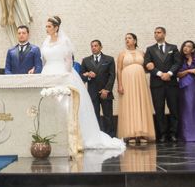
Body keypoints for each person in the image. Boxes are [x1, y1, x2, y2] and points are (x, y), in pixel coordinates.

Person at [40, 16, 125, 151]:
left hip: (62, 72)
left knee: (68, 105)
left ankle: (74, 135)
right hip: (48, 72)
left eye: (49, 26)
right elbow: (44, 60)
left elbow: (68, 61)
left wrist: (65, 75)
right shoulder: (45, 42)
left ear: (56, 28)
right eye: (46, 26)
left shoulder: (64, 42)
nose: (47, 28)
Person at [143, 27, 181, 143]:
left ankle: (174, 133)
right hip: (157, 84)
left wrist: (169, 73)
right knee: (159, 110)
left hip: (171, 83)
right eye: (155, 32)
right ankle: (163, 134)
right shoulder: (150, 49)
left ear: (164, 34)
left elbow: (177, 62)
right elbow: (147, 65)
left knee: (174, 108)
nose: (156, 34)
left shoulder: (173, 48)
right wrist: (160, 74)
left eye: (158, 32)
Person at [116, 33, 155, 144]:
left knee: (140, 103)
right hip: (127, 81)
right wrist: (120, 84)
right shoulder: (122, 54)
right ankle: (130, 133)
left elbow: (146, 68)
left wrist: (150, 67)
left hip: (140, 82)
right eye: (125, 38)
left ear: (135, 40)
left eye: (129, 38)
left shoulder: (142, 53)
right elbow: (118, 69)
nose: (127, 40)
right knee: (130, 104)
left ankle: (141, 133)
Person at [80, 40, 115, 137]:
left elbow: (112, 76)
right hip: (92, 93)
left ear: (100, 47)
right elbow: (81, 76)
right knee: (95, 115)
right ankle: (97, 136)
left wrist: (107, 90)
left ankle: (110, 136)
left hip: (105, 92)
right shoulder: (86, 60)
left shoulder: (109, 59)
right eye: (92, 46)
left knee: (108, 115)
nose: (93, 48)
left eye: (96, 46)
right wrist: (88, 75)